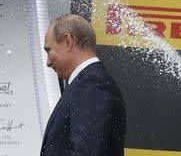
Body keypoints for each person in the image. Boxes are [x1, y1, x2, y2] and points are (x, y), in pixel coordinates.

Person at [40, 14, 126, 156]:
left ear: (68, 41)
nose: (48, 62)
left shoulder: (93, 85)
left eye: (49, 50)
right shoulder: (88, 83)